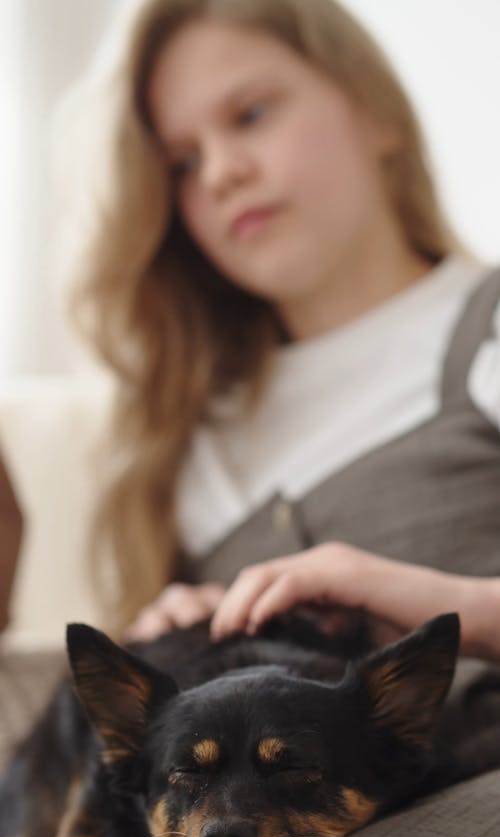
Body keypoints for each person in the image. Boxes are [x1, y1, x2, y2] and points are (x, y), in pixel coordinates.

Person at [66, 0, 500, 660]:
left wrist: (453, 609)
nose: (220, 174)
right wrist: (169, 650)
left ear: (375, 111)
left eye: (250, 115)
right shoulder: (189, 439)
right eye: (182, 162)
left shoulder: (483, 327)